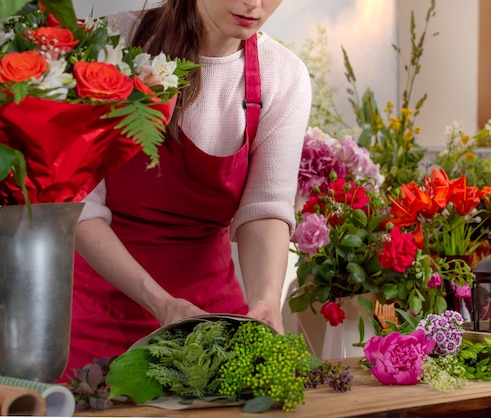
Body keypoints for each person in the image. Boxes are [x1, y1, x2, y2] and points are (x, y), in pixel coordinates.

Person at [64, 0, 311, 378]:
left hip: (209, 325)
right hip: (97, 317)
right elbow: (80, 204)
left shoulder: (284, 75)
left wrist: (265, 302)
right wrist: (160, 302)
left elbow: (265, 206)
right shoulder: (109, 43)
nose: (254, 4)